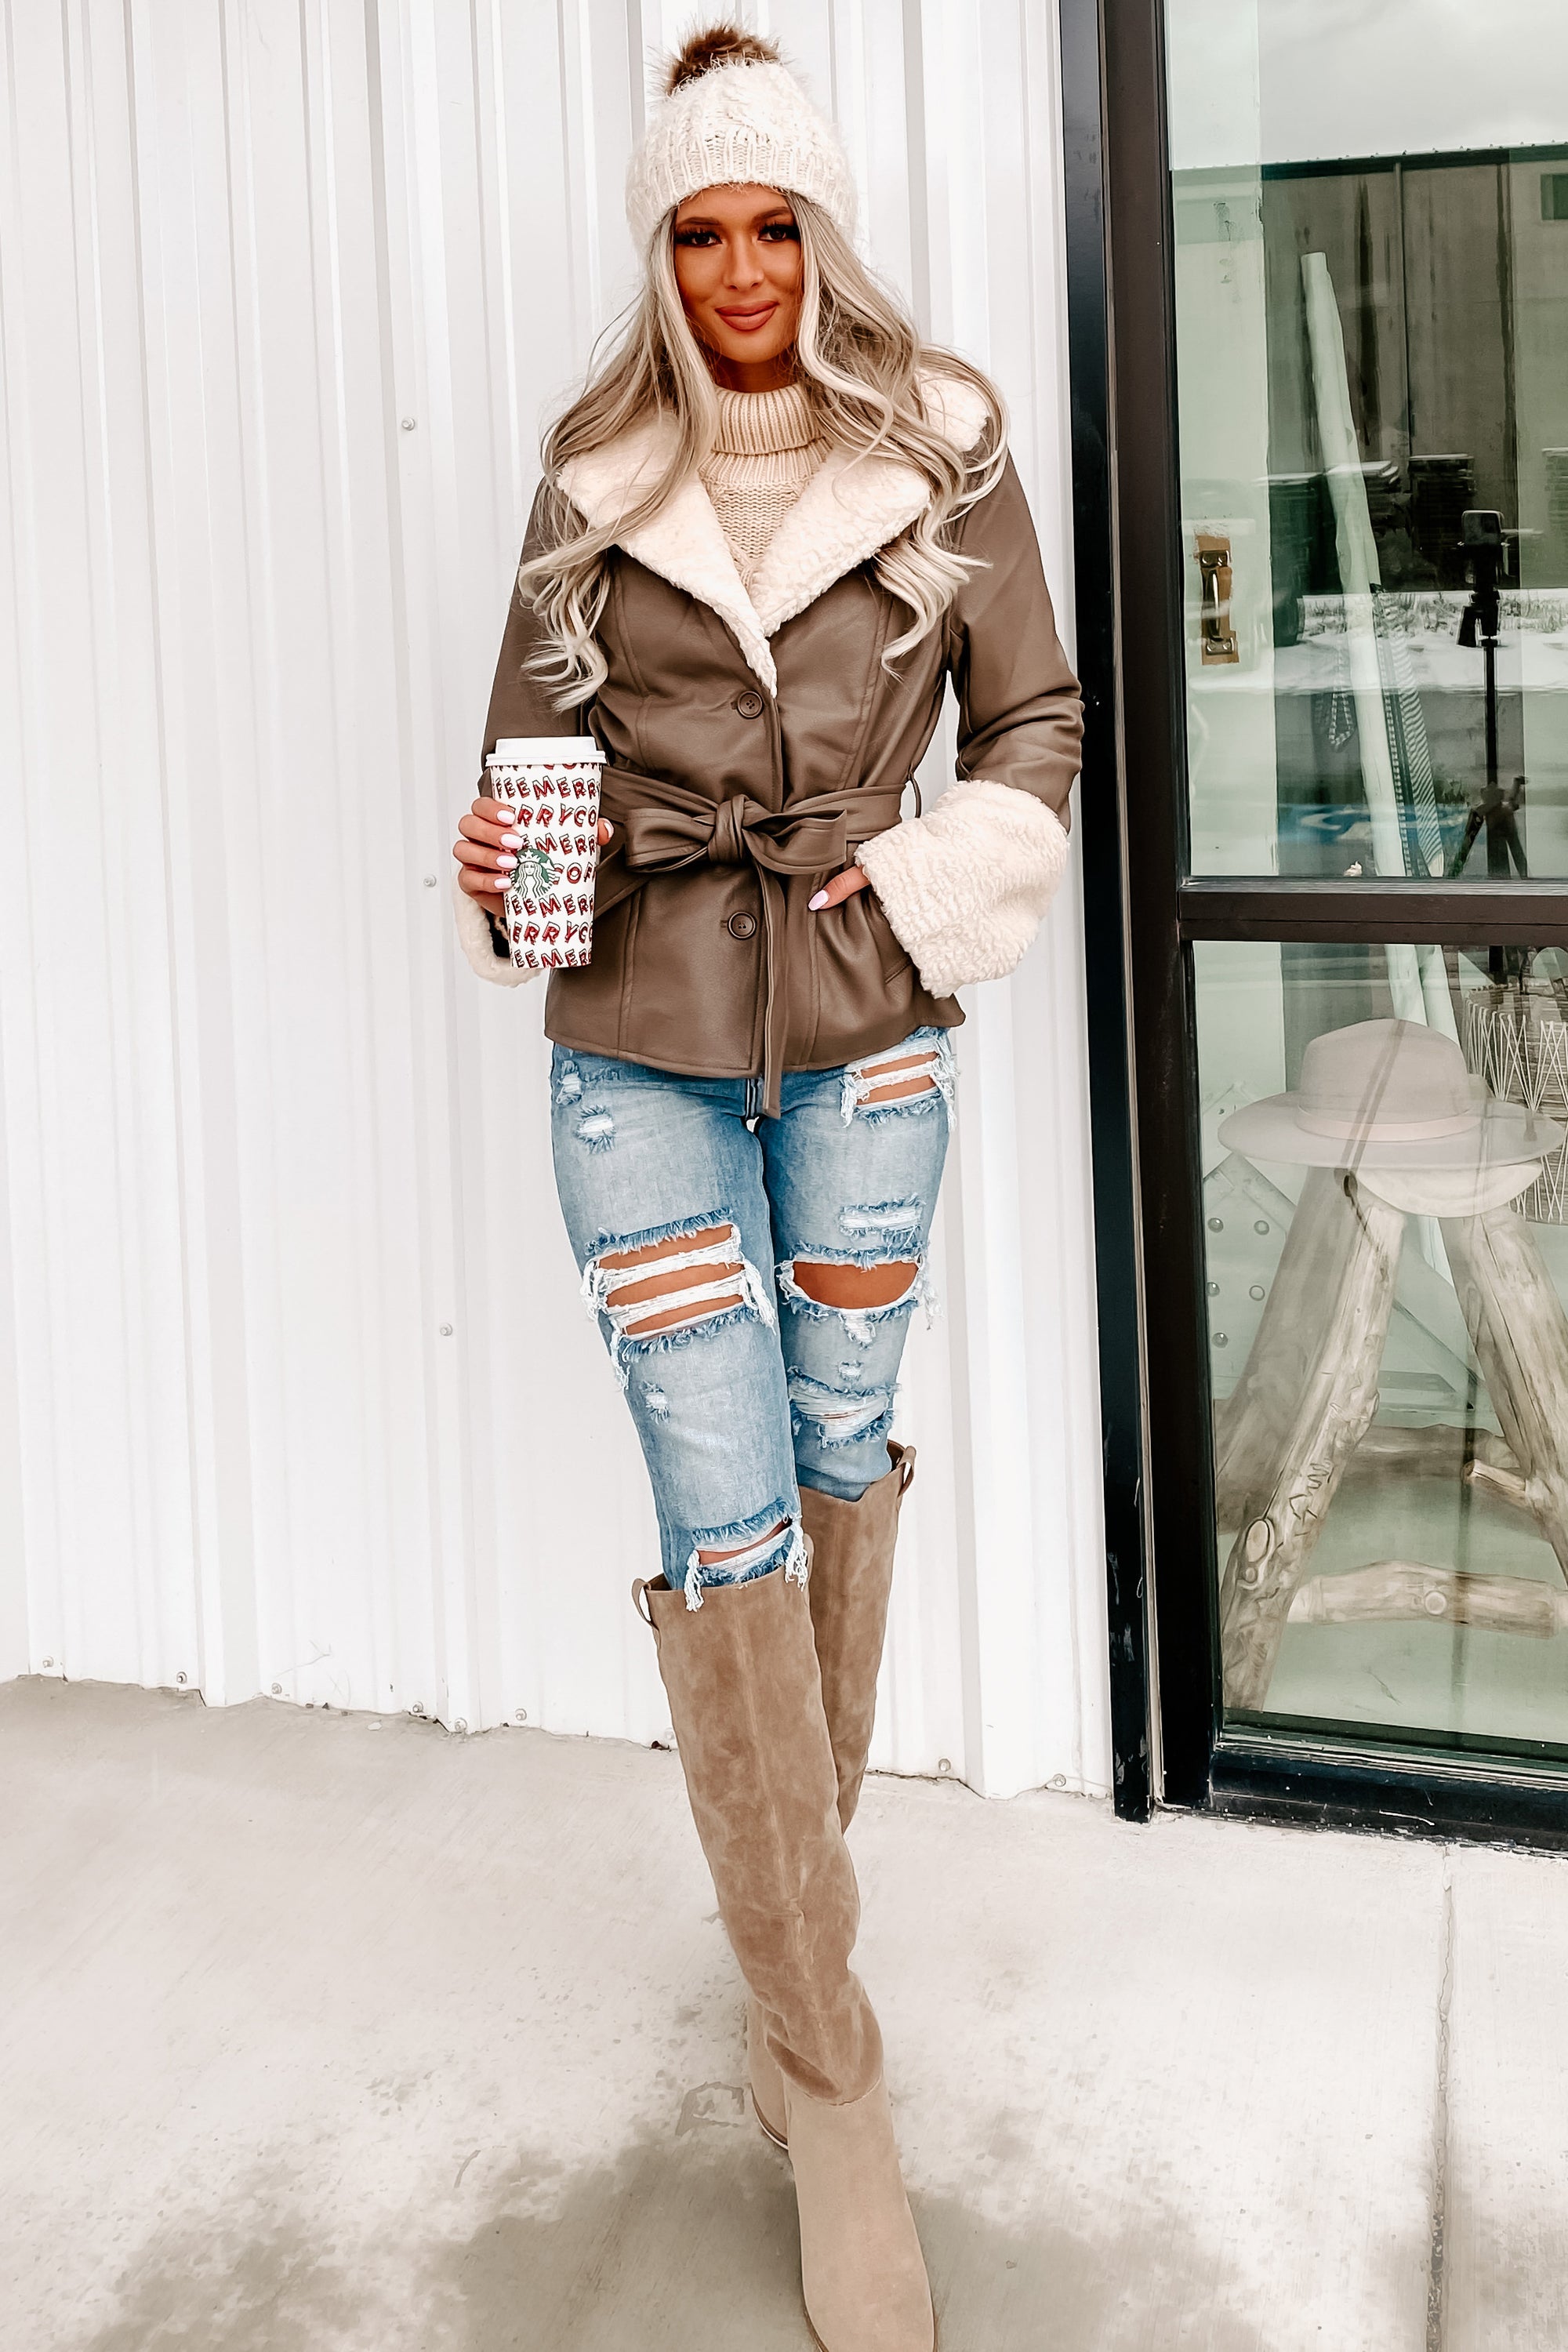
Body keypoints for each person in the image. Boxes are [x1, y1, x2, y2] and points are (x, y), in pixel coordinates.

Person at [451, 27, 1082, 2350]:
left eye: (773, 226)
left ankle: (785, 1973)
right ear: (662, 249)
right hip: (631, 1041)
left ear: (824, 236)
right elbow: (524, 756)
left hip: (869, 1036)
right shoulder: (588, 472)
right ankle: (832, 2073)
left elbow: (1038, 725)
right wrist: (496, 859)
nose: (738, 271)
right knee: (722, 1526)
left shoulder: (942, 445)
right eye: (699, 232)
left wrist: (919, 881)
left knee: (833, 1469)